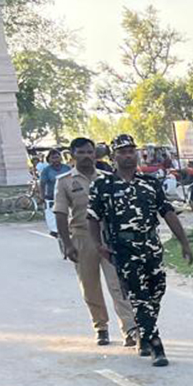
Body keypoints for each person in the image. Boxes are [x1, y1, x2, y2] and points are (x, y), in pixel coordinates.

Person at [86, 133, 193, 366]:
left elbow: (167, 213)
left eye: (131, 151)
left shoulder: (150, 183)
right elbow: (92, 217)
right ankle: (156, 345)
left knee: (157, 291)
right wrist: (98, 245)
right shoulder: (103, 185)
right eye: (123, 152)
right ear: (114, 156)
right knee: (139, 297)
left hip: (151, 246)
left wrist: (184, 242)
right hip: (123, 250)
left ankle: (144, 332)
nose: (128, 155)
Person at [54, 137, 138, 347]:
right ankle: (100, 326)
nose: (86, 156)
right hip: (82, 238)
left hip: (109, 238)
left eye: (90, 152)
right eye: (81, 152)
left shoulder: (109, 178)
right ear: (72, 155)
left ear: (95, 154)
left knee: (118, 284)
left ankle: (130, 328)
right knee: (90, 286)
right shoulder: (64, 181)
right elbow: (61, 214)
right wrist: (67, 244)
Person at [36, 148, 68, 237]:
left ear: (61, 158)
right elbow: (42, 184)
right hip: (51, 196)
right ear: (49, 159)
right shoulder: (46, 170)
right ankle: (55, 231)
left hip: (65, 195)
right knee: (52, 214)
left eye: (57, 157)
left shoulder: (66, 168)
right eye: (53, 158)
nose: (56, 160)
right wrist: (42, 196)